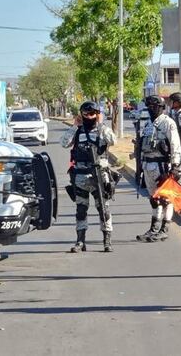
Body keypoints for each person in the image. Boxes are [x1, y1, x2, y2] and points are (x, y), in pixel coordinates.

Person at [60, 101, 117, 253]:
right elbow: (64, 143)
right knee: (80, 210)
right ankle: (80, 241)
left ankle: (107, 240)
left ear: (97, 114)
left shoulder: (102, 130)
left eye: (92, 113)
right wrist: (74, 126)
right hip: (80, 175)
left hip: (99, 175)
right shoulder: (77, 131)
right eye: (86, 114)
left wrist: (101, 124)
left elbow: (113, 140)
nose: (89, 116)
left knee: (103, 209)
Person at [136, 95, 181, 243]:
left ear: (162, 107)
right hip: (148, 165)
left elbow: (175, 144)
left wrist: (175, 166)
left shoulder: (168, 123)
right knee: (154, 199)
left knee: (166, 199)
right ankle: (153, 229)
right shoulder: (148, 125)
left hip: (162, 165)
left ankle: (164, 229)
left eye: (154, 106)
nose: (151, 109)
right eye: (149, 106)